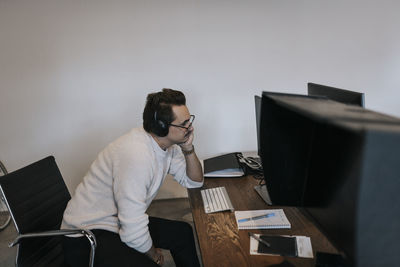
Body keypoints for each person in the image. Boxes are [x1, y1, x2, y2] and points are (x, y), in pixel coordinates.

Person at [61, 88, 203, 267]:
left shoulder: (167, 147)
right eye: (184, 123)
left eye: (190, 120)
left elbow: (194, 181)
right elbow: (133, 228)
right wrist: (152, 254)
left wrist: (188, 148)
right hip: (87, 236)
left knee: (182, 233)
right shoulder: (137, 155)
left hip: (115, 222)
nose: (190, 127)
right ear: (161, 126)